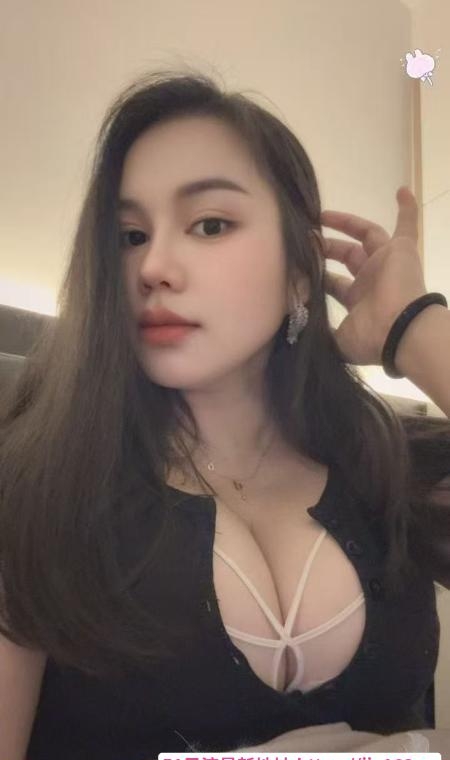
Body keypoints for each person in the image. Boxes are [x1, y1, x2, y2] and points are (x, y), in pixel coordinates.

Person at [0, 67, 450, 760]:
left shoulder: (389, 463)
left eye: (210, 224)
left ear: (299, 270)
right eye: (128, 236)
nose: (153, 266)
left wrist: (414, 328)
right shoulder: (36, 489)